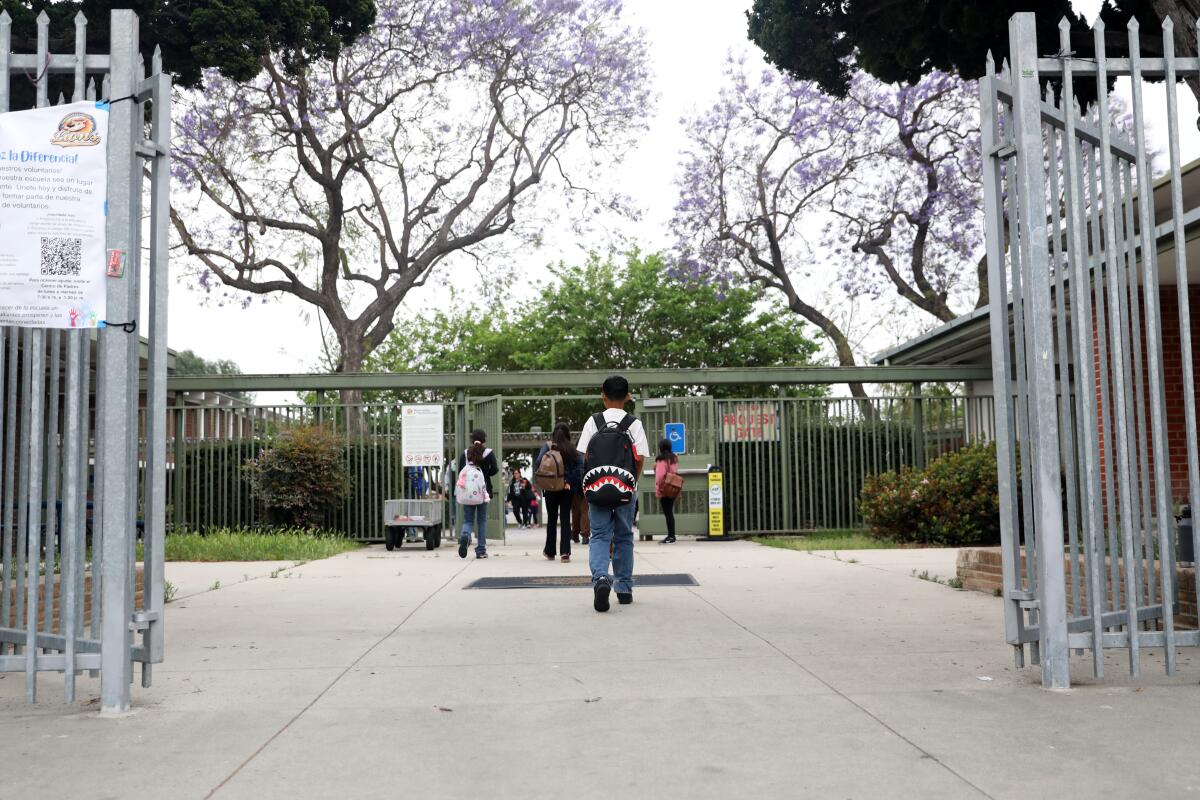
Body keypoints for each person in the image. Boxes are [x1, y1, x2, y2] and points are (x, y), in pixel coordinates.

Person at [577, 375, 650, 612]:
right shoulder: (634, 424)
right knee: (623, 536)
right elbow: (639, 459)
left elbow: (584, 457)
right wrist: (631, 482)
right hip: (625, 490)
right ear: (628, 397)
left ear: (603, 396)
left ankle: (600, 578)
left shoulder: (593, 422)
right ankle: (624, 588)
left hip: (597, 489)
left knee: (599, 535)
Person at [534, 422, 579, 563]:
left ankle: (550, 552)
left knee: (552, 519)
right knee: (565, 519)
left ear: (554, 434)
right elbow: (579, 468)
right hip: (566, 489)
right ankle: (565, 553)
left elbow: (538, 463)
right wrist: (569, 482)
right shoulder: (571, 449)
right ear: (567, 434)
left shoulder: (548, 447)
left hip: (551, 488)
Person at [457, 429, 499, 559]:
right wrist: (485, 474)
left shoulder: (465, 453)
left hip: (467, 492)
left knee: (468, 520)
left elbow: (460, 471)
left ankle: (465, 535)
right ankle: (481, 550)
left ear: (472, 439)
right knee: (481, 520)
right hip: (483, 491)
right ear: (484, 439)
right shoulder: (488, 453)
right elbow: (495, 470)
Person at [655, 438, 679, 544]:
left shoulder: (661, 460)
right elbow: (673, 471)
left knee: (668, 513)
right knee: (670, 513)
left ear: (661, 448)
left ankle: (671, 536)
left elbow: (660, 476)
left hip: (665, 489)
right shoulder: (673, 458)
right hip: (673, 487)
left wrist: (659, 489)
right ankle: (671, 535)